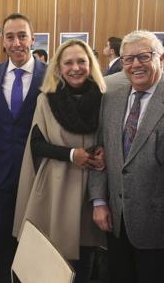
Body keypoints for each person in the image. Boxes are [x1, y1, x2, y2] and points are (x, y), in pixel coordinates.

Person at [89, 30, 164, 283]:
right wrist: (98, 201)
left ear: (160, 57)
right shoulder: (111, 99)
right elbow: (100, 152)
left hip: (161, 230)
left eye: (144, 56)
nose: (135, 64)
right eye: (128, 59)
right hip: (117, 223)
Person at [13, 39, 106, 283]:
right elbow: (37, 144)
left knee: (86, 257)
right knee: (55, 262)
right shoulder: (46, 99)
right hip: (57, 186)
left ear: (91, 64)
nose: (75, 68)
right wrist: (72, 154)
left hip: (91, 188)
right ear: (59, 68)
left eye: (81, 61)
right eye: (68, 63)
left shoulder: (105, 97)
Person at [0, 13, 47, 282]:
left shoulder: (51, 75)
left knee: (34, 236)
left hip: (37, 170)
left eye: (22, 35)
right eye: (10, 36)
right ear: (3, 42)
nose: (17, 42)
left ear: (33, 38)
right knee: (0, 236)